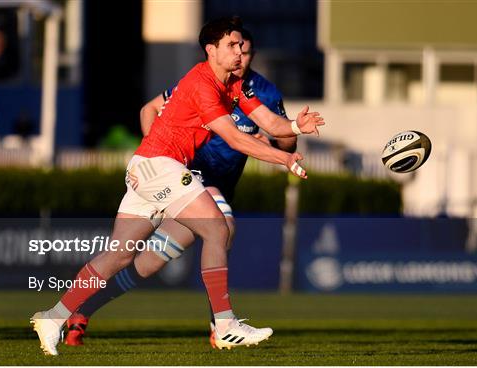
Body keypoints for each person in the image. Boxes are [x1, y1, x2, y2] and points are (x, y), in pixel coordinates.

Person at [31, 16, 324, 356]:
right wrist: (284, 159)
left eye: (241, 46)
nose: (240, 51)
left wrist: (296, 128)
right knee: (216, 229)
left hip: (150, 169)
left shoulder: (232, 85)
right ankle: (225, 324)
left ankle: (53, 317)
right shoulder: (202, 83)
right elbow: (234, 138)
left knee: (120, 255)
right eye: (232, 45)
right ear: (210, 50)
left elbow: (271, 123)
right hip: (161, 167)